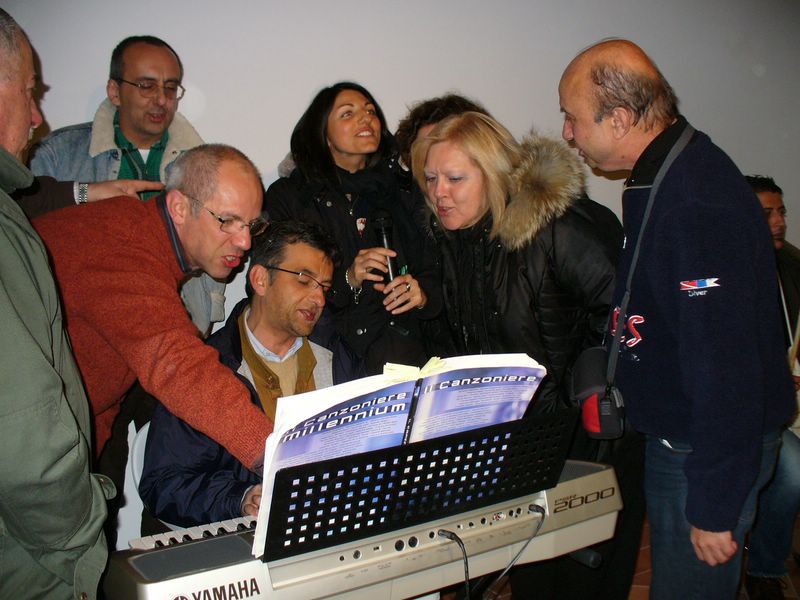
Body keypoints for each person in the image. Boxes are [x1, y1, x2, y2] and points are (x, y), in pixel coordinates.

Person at [558, 39, 795, 599]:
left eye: (572, 117)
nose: (567, 133)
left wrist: (714, 504)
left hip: (701, 453)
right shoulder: (665, 175)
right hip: (687, 439)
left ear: (619, 119)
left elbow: (726, 365)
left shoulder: (694, 202)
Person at [411, 111, 643, 599]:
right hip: (525, 446)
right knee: (536, 577)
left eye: (455, 178)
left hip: (589, 441)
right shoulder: (454, 241)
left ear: (494, 174)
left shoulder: (556, 227)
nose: (438, 193)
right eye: (430, 178)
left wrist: (577, 392)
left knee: (583, 583)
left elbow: (626, 313)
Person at [32, 144, 272, 474]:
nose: (245, 242)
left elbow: (99, 391)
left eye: (251, 225)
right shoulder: (123, 243)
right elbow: (179, 365)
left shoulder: (142, 240)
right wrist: (279, 455)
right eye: (228, 221)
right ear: (179, 208)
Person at [0, 9, 110, 598]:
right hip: (30, 559)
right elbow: (24, 431)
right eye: (29, 91)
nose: (38, 116)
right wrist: (81, 539)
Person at [140, 221, 342, 527]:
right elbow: (164, 484)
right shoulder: (205, 367)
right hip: (243, 541)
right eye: (304, 280)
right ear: (260, 279)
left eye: (324, 287)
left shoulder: (336, 358)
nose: (319, 299)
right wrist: (239, 498)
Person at [28, 35, 220, 335]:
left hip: (176, 324)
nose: (161, 99)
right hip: (84, 328)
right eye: (146, 86)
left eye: (170, 88)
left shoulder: (205, 164)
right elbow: (27, 239)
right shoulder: (57, 153)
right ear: (115, 91)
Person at [265, 82, 442, 375]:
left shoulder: (402, 190)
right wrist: (347, 278)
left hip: (403, 359)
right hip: (327, 360)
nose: (366, 119)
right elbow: (274, 285)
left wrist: (421, 294)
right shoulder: (292, 196)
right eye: (348, 113)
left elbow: (435, 269)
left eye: (371, 111)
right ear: (323, 133)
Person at [743, 175, 800, 600]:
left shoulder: (792, 263)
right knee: (793, 471)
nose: (779, 222)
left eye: (781, 212)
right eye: (767, 214)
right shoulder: (727, 272)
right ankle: (765, 568)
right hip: (758, 408)